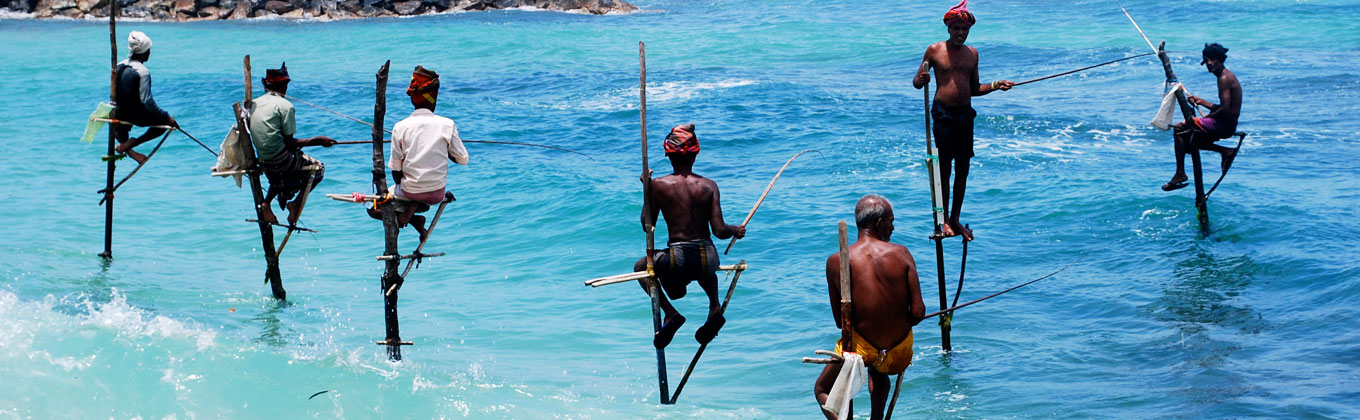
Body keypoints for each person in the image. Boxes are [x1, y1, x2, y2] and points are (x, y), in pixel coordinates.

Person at [633, 124, 746, 348]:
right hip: (709, 257)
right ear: (695, 155)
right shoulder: (710, 185)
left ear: (668, 156)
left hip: (680, 258)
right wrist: (735, 230)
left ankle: (671, 314)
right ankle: (714, 307)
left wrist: (646, 190)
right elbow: (719, 231)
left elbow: (648, 225)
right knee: (704, 267)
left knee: (640, 268)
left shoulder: (659, 186)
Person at [813, 195, 925, 420]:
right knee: (879, 369)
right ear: (879, 223)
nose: (893, 227)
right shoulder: (902, 253)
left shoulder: (836, 261)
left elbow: (840, 322)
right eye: (891, 222)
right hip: (898, 353)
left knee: (822, 390)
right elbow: (918, 313)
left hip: (860, 352)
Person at [911, 0, 1014, 241]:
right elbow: (916, 82)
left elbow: (975, 88)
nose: (960, 33)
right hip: (943, 115)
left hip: (965, 115)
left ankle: (956, 218)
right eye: (956, 28)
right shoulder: (934, 50)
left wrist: (997, 85)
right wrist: (921, 79)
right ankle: (944, 219)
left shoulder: (973, 54)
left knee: (963, 170)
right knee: (944, 169)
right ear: (948, 28)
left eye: (964, 30)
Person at [367, 65, 469, 239]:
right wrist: (448, 153)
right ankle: (414, 217)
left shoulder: (400, 127)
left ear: (413, 99)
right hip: (437, 193)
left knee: (372, 208)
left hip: (410, 191)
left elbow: (396, 174)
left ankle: (412, 219)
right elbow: (463, 160)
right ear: (433, 98)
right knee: (415, 186)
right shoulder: (447, 124)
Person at [247, 62, 336, 225]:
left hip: (264, 161)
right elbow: (289, 143)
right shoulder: (285, 106)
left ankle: (266, 203)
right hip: (280, 161)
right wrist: (318, 140)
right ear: (284, 86)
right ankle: (295, 204)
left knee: (282, 171)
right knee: (319, 169)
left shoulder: (253, 103)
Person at [1161, 42, 1242, 191]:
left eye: (1213, 59)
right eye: (1207, 61)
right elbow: (1226, 108)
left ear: (1221, 59)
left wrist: (1208, 117)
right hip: (1227, 124)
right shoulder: (1226, 76)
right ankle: (1225, 151)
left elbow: (1225, 110)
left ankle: (1180, 173)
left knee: (1179, 128)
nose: (1209, 63)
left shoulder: (1224, 78)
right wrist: (1202, 102)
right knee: (1187, 143)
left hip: (1224, 125)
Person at [113, 31, 177, 164]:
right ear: (143, 53)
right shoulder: (143, 72)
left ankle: (130, 151)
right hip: (134, 115)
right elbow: (147, 101)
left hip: (119, 113)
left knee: (112, 119)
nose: (149, 53)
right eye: (148, 50)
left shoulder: (118, 66)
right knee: (165, 124)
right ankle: (134, 143)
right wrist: (166, 116)